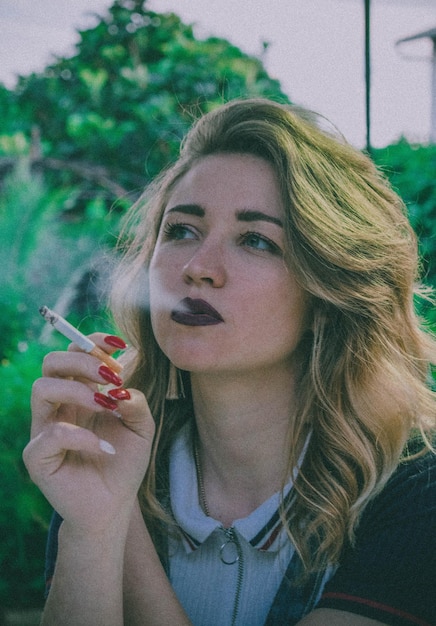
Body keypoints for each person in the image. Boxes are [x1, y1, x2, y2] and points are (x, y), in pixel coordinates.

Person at [23, 98, 436, 626]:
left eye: (256, 241)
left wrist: (121, 531)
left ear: (326, 294)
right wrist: (96, 522)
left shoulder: (414, 492)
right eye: (181, 230)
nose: (198, 268)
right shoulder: (105, 455)